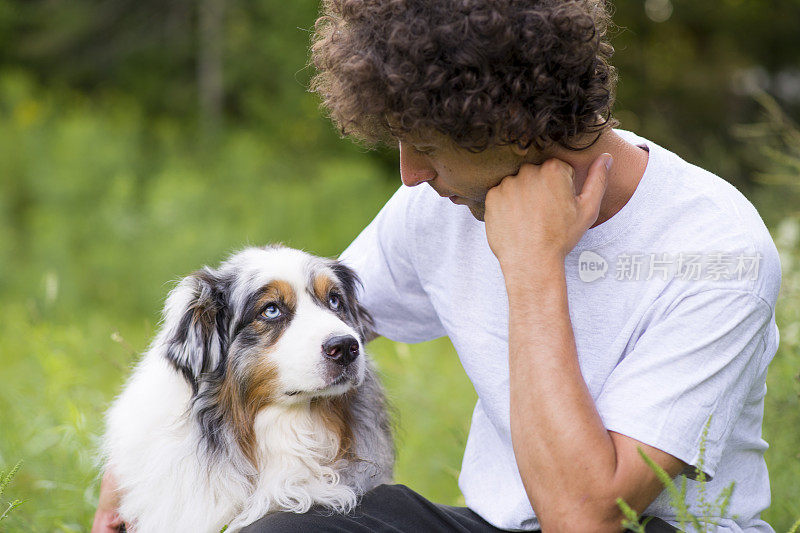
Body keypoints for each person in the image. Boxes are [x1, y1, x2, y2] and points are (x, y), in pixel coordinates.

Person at [94, 1, 781, 531]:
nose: (411, 173)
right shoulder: (440, 205)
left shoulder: (716, 248)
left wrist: (534, 266)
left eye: (425, 145)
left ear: (512, 122)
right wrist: (126, 480)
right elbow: (281, 334)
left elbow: (586, 517)